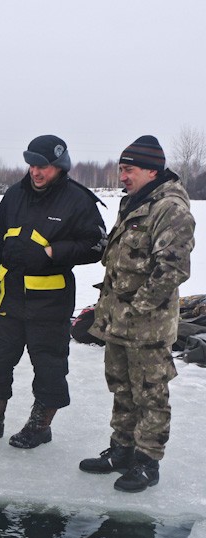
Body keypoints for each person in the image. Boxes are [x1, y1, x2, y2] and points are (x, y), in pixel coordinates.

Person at [0, 135, 106, 449]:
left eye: (44, 166)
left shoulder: (78, 200)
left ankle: (40, 426)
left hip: (50, 304)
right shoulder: (14, 195)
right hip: (8, 297)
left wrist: (57, 252)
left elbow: (98, 245)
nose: (36, 172)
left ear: (60, 166)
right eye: (32, 165)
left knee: (49, 367)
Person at [80, 136, 195, 492]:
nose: (122, 176)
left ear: (151, 170)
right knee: (122, 389)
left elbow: (172, 270)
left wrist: (135, 309)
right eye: (121, 169)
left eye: (129, 169)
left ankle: (147, 463)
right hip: (118, 319)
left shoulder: (170, 208)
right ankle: (122, 451)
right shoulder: (135, 203)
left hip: (147, 325)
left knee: (150, 392)